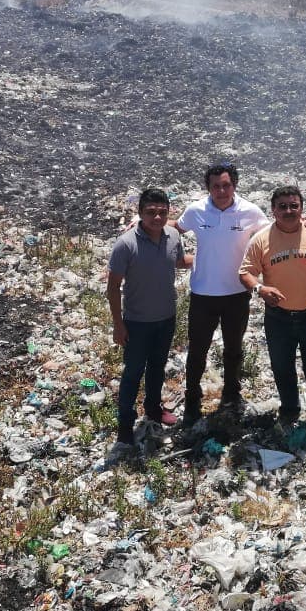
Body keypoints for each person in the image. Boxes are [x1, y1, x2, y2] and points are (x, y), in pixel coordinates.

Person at [239, 186, 306, 439]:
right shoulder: (262, 239)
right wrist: (260, 289)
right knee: (282, 367)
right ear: (273, 210)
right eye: (282, 206)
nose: (288, 211)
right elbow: (245, 273)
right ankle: (290, 409)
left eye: (293, 205)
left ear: (301, 208)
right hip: (279, 317)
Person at [174, 163, 268, 427]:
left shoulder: (250, 212)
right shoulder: (196, 210)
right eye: (216, 186)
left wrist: (305, 223)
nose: (221, 190)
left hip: (237, 293)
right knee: (197, 351)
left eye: (226, 185)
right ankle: (192, 398)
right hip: (203, 293)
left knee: (234, 349)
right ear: (208, 188)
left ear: (234, 185)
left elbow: (274, 233)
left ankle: (231, 393)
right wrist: (141, 221)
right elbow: (176, 227)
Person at [106, 188, 192, 450]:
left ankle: (153, 410)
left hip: (166, 318)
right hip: (137, 321)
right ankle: (124, 425)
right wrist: (118, 325)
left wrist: (210, 260)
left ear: (169, 213)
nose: (157, 217)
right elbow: (112, 287)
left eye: (162, 212)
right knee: (133, 373)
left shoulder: (174, 235)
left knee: (157, 367)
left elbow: (177, 261)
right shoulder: (126, 243)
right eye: (151, 212)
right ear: (140, 213)